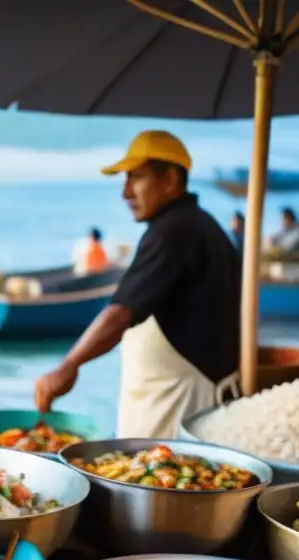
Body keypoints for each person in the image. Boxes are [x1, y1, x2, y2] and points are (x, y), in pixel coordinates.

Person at [34, 130, 240, 439]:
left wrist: (68, 366)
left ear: (170, 180)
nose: (125, 192)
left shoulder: (172, 231)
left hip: (180, 405)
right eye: (125, 179)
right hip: (191, 398)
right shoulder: (200, 225)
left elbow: (120, 313)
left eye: (137, 178)